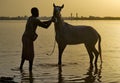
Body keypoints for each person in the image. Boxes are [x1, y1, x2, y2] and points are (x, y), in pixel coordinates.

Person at [20, 7, 53, 71]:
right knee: (31, 56)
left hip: (24, 38)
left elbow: (41, 23)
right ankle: (30, 71)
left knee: (24, 54)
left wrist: (50, 20)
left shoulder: (30, 18)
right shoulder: (35, 20)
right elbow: (46, 26)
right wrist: (51, 21)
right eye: (37, 11)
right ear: (35, 13)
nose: (38, 13)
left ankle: (21, 68)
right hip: (28, 39)